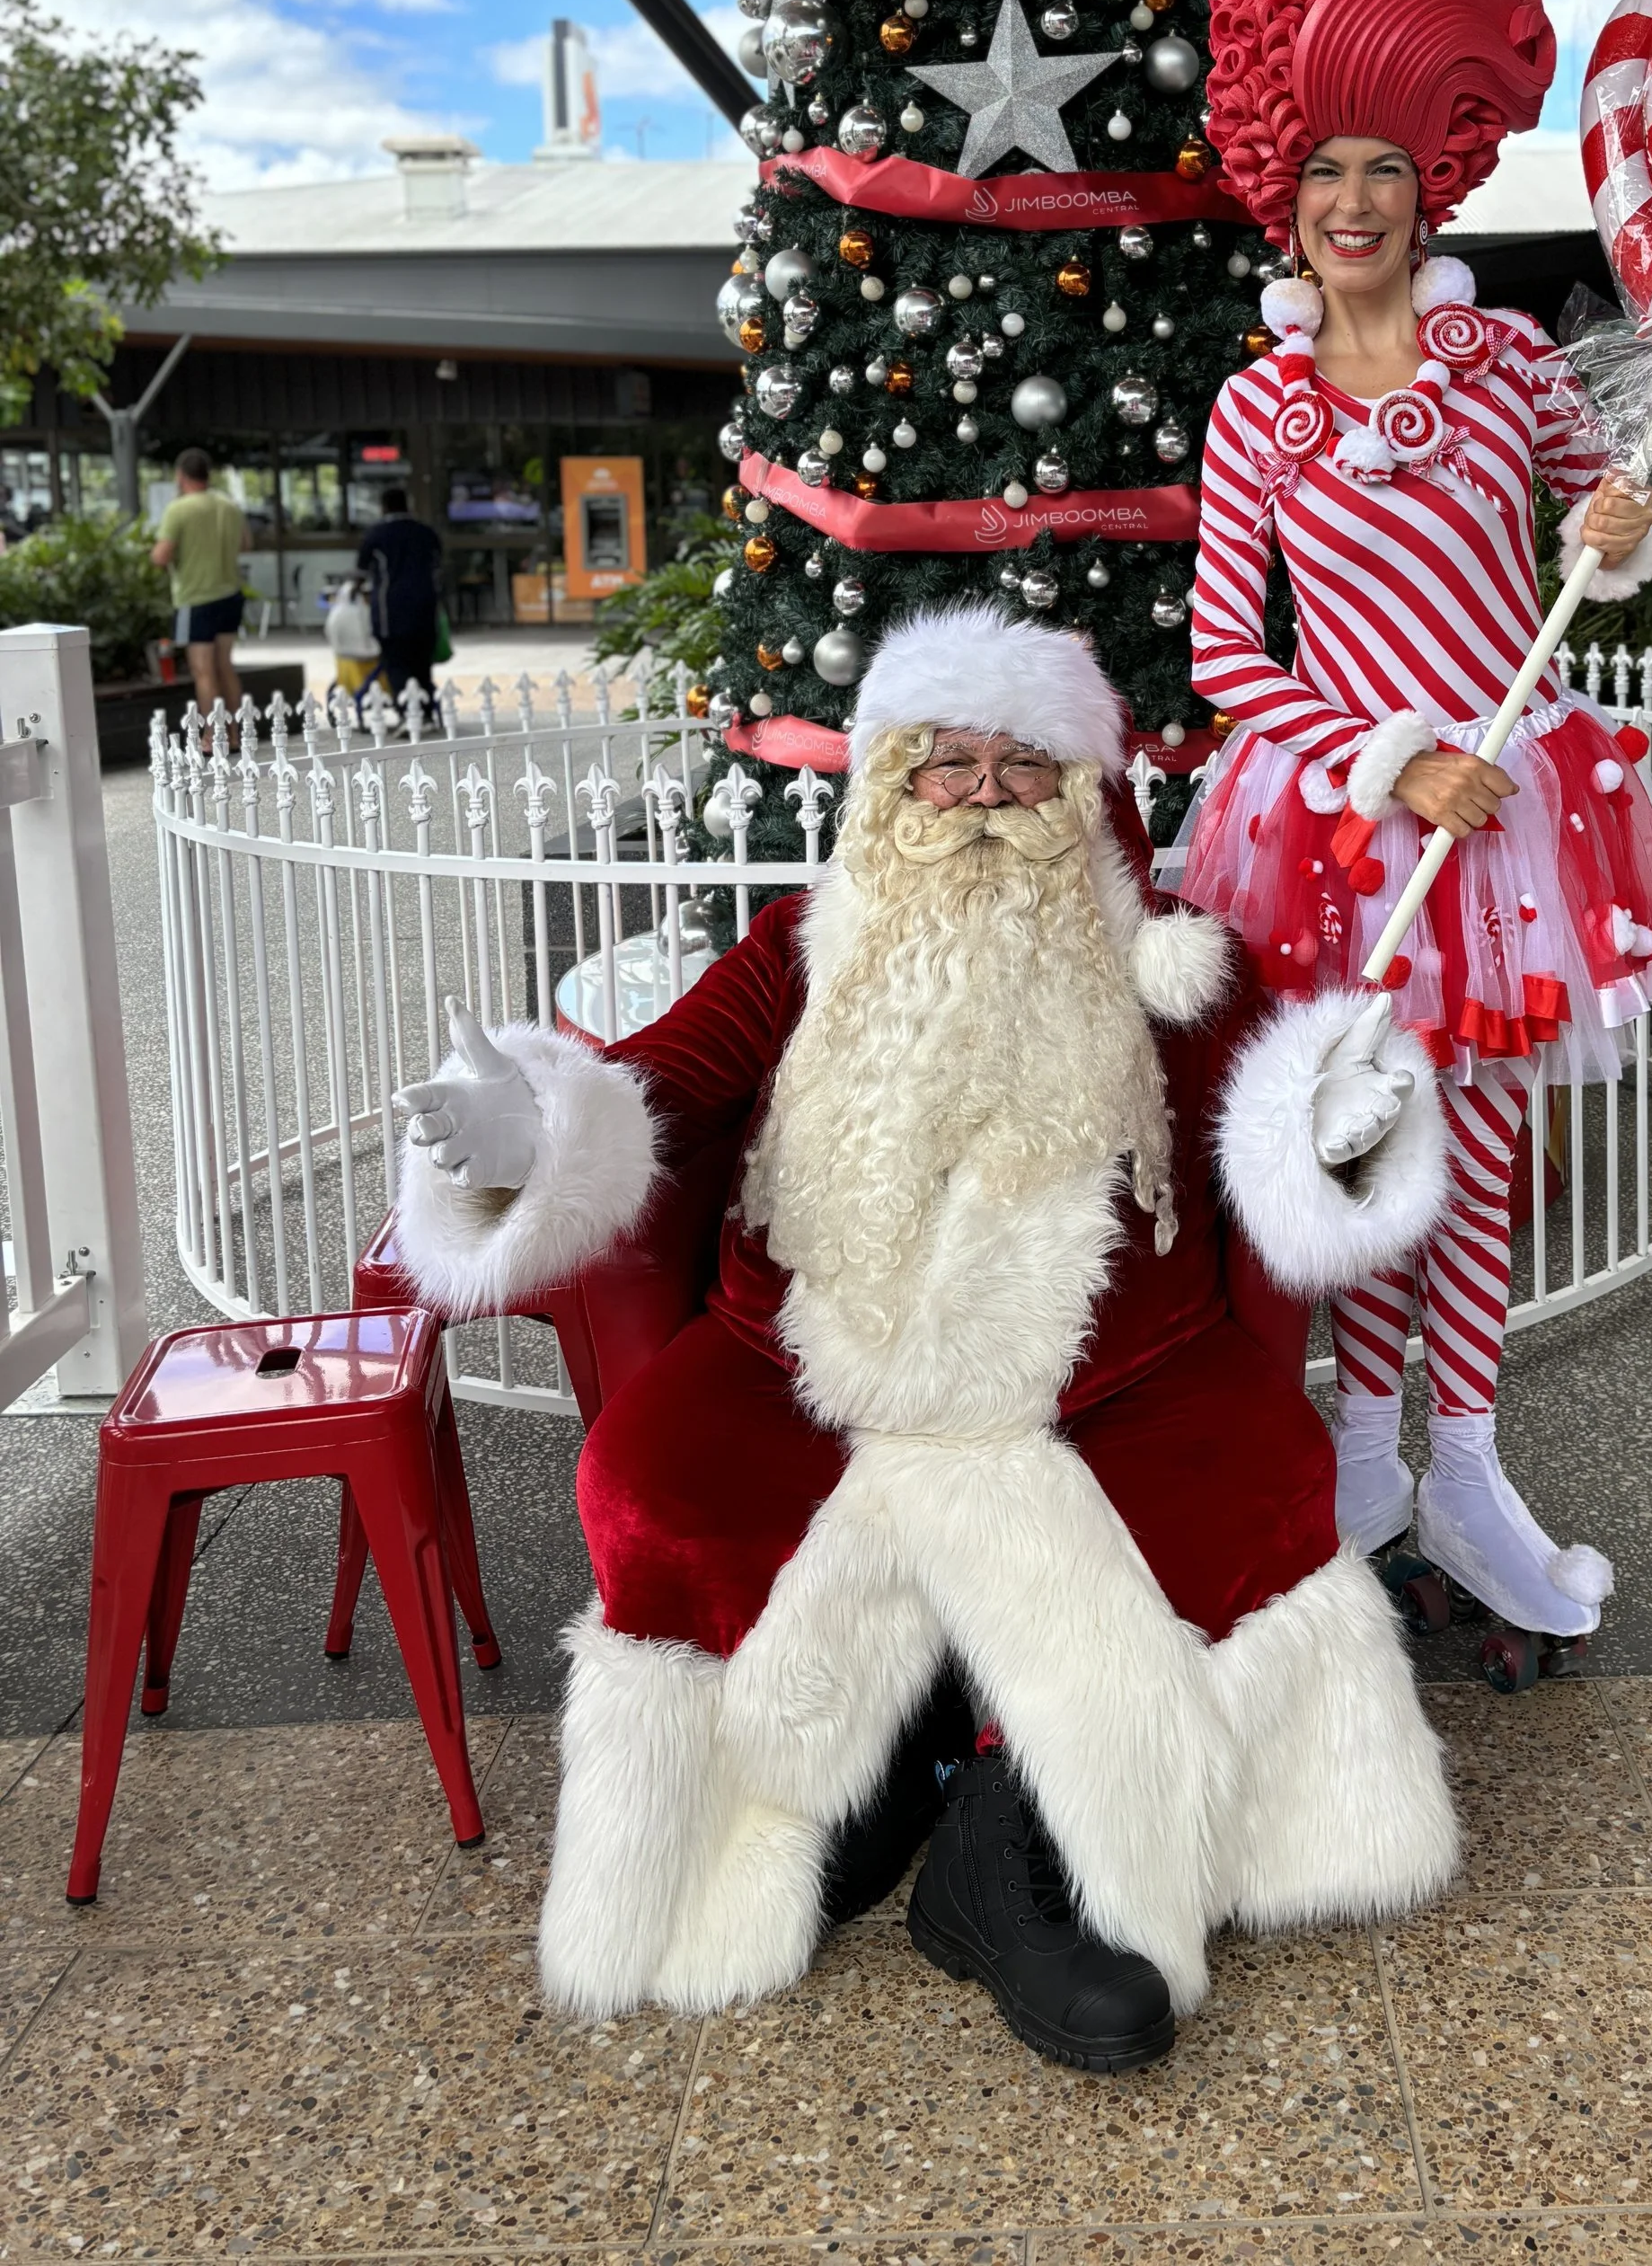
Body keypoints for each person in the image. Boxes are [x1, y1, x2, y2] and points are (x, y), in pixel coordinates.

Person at [389, 604, 1457, 2070]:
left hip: (1109, 1380)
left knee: (1245, 1476)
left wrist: (1330, 1128)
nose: (983, 796)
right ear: (892, 781)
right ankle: (824, 1793)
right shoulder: (800, 947)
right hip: (808, 1366)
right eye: (948, 763)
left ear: (1084, 791)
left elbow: (1270, 1107)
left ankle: (1026, 1844)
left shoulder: (1173, 967)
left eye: (1023, 766)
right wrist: (535, 1131)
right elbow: (662, 1083)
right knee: (657, 1479)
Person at [1184, 0, 1652, 1654]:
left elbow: (1592, 524)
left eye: (1383, 172)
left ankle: (1467, 1465)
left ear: (1432, 187)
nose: (1352, 204)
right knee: (1362, 1138)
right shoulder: (1255, 408)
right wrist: (1384, 755)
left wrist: (1620, 534)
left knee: (1480, 1147)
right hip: (1346, 827)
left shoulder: (1504, 360)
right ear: (1287, 186)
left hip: (1512, 822)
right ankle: (1359, 1458)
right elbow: (1224, 656)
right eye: (1324, 171)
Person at [150, 448, 246, 717]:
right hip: (231, 595)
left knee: (203, 671)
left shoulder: (179, 509)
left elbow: (161, 556)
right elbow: (246, 543)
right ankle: (237, 731)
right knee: (225, 666)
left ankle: (211, 734)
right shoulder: (229, 506)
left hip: (195, 598)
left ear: (180, 476)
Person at [356, 482, 446, 701]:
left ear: (384, 507)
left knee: (396, 664)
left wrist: (357, 591)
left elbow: (361, 572)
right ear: (408, 505)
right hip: (424, 608)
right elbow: (438, 567)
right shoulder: (426, 533)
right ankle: (426, 709)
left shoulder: (376, 535)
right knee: (422, 665)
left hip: (391, 611)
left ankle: (406, 710)